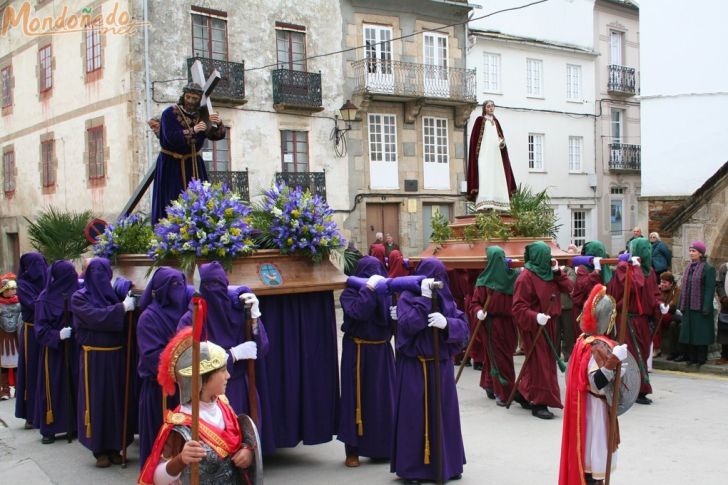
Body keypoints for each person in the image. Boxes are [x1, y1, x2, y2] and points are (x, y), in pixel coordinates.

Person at [138, 328, 256, 485]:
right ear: (202, 379)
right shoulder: (180, 425)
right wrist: (181, 460)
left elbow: (240, 442)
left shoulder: (223, 404)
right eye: (222, 370)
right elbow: (158, 478)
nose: (228, 375)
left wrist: (247, 452)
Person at [178, 261, 273, 454]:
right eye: (210, 286)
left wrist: (255, 318)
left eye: (220, 286)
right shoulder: (192, 318)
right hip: (206, 392)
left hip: (240, 386)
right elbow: (187, 361)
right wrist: (232, 355)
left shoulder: (238, 312)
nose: (216, 291)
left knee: (245, 444)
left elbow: (261, 348)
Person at [391, 257, 467, 484]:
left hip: (440, 366)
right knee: (413, 416)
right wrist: (424, 301)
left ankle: (449, 463)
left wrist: (448, 325)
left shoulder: (448, 301)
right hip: (415, 366)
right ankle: (412, 469)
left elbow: (464, 329)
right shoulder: (407, 297)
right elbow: (407, 325)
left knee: (444, 415)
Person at [559, 284, 630, 485]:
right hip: (595, 411)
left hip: (587, 408)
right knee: (593, 461)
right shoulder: (597, 346)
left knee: (592, 459)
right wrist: (614, 362)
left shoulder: (583, 340)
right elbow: (596, 383)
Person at [71, 258, 136, 467]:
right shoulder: (79, 297)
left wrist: (127, 291)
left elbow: (124, 284)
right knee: (97, 401)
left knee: (116, 401)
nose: (99, 276)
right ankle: (99, 449)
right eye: (95, 271)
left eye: (103, 271)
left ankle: (117, 446)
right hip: (94, 358)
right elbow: (95, 317)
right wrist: (121, 309)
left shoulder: (112, 295)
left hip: (116, 356)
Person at [338, 256, 395, 467]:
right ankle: (352, 450)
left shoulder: (388, 292)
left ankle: (382, 447)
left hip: (381, 351)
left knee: (382, 399)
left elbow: (393, 322)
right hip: (358, 351)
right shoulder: (349, 293)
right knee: (356, 398)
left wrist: (397, 315)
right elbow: (358, 312)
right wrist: (368, 290)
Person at [511, 241, 574, 419]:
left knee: (543, 363)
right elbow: (518, 307)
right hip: (535, 327)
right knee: (541, 364)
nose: (549, 259)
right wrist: (534, 316)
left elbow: (570, 288)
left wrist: (558, 272)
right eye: (546, 255)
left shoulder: (550, 274)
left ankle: (522, 392)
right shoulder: (525, 277)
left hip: (551, 324)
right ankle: (539, 403)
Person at [151, 82, 227, 223]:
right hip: (172, 164)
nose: (191, 101)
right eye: (188, 97)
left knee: (199, 199)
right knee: (172, 199)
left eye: (194, 98)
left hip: (194, 164)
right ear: (183, 96)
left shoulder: (202, 115)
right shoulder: (169, 113)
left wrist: (218, 123)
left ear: (199, 100)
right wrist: (194, 130)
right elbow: (171, 138)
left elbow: (215, 135)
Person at [136, 267, 189, 468]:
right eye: (173, 286)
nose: (179, 290)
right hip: (160, 391)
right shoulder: (148, 318)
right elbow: (151, 357)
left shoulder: (186, 311)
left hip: (186, 389)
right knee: (160, 442)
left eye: (181, 285)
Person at [607, 238, 665, 405]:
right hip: (627, 319)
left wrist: (660, 306)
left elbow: (654, 294)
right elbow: (633, 286)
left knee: (643, 354)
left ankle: (641, 389)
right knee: (630, 355)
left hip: (643, 321)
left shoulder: (651, 271)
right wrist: (635, 268)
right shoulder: (624, 268)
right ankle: (627, 389)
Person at [33, 260, 79, 444]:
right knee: (54, 385)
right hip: (55, 351)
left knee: (74, 384)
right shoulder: (45, 299)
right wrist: (57, 335)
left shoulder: (77, 293)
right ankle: (50, 427)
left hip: (74, 347)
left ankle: (74, 424)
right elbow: (40, 329)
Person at [467, 246, 519, 407]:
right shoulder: (484, 282)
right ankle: (503, 392)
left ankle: (489, 384)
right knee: (499, 358)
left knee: (499, 356)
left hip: (507, 323)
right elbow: (475, 304)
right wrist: (478, 312)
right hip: (492, 324)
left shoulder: (514, 277)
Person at [15, 252, 48, 427]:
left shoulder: (48, 278)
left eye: (41, 263)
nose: (40, 269)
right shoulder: (23, 284)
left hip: (47, 329)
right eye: (36, 264)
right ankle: (31, 413)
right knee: (33, 370)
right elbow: (36, 305)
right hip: (32, 332)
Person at [466, 100, 517, 212]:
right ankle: (485, 201)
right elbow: (474, 140)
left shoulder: (496, 122)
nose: (491, 108)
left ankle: (499, 201)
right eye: (488, 106)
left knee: (498, 175)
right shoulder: (480, 120)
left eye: (492, 106)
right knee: (485, 176)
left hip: (496, 156)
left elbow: (500, 138)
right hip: (484, 155)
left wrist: (502, 143)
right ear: (484, 108)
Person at [678, 241, 716, 366]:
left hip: (700, 306)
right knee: (690, 332)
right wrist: (681, 304)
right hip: (688, 306)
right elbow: (683, 287)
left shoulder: (708, 268)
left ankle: (701, 358)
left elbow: (709, 289)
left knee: (701, 333)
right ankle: (691, 357)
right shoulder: (688, 267)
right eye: (690, 251)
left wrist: (706, 307)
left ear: (701, 253)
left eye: (693, 251)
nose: (691, 253)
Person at [0, 273, 20, 400]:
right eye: (11, 289)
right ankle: (4, 390)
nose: (14, 291)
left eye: (14, 288)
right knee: (3, 366)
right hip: (3, 339)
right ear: (4, 290)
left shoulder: (19, 304)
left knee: (18, 364)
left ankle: (20, 388)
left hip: (16, 338)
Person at [657, 272, 682, 361]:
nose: (662, 284)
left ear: (671, 284)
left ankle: (657, 348)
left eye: (665, 282)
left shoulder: (676, 290)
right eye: (661, 282)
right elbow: (655, 301)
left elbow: (673, 305)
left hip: (672, 314)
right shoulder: (658, 289)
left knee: (659, 319)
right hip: (661, 314)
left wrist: (662, 304)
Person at [716, 262, 728, 365]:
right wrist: (724, 298)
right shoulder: (724, 267)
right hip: (726, 303)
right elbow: (719, 284)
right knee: (724, 330)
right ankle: (724, 356)